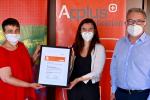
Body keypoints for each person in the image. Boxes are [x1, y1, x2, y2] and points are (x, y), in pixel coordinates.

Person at [110, 8, 150, 100]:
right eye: (130, 21)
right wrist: (113, 90)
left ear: (145, 23)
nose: (134, 24)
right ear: (126, 23)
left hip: (142, 95)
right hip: (120, 94)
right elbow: (114, 67)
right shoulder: (120, 43)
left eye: (139, 21)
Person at [0, 18, 43, 100]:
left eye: (17, 30)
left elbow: (27, 66)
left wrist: (35, 55)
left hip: (25, 93)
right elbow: (6, 78)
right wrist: (29, 85)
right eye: (10, 31)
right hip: (10, 95)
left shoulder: (21, 46)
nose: (14, 33)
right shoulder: (1, 52)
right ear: (4, 32)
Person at [67, 18, 106, 100]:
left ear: (94, 31)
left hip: (90, 89)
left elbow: (97, 72)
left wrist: (78, 79)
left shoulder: (99, 48)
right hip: (74, 88)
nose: (87, 32)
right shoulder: (73, 47)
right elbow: (67, 68)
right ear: (80, 31)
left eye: (90, 29)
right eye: (84, 29)